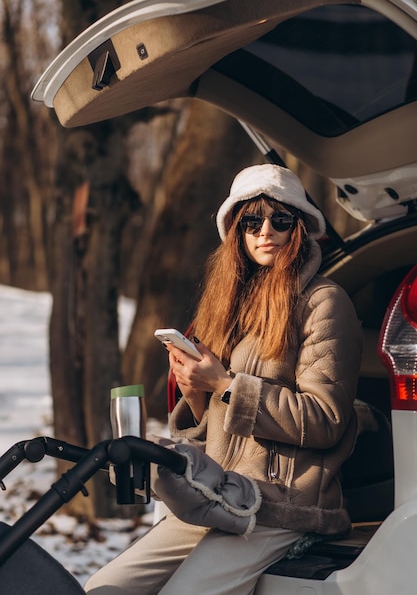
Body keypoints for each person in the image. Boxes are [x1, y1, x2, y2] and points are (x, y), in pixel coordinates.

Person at [85, 164, 363, 595]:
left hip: (283, 506)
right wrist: (197, 393)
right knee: (104, 588)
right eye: (251, 221)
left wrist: (224, 385)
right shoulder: (228, 305)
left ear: (301, 228)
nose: (264, 231)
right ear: (236, 231)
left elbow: (325, 421)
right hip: (215, 494)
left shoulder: (324, 303)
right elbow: (212, 426)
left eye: (280, 220)